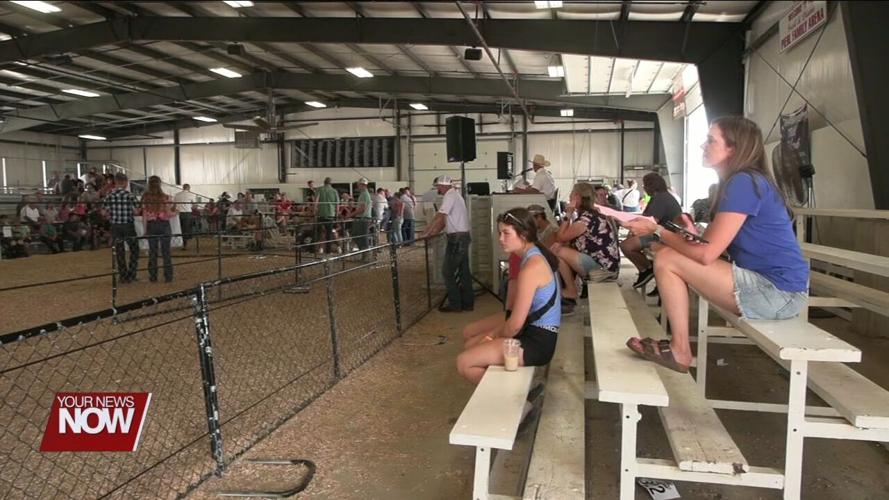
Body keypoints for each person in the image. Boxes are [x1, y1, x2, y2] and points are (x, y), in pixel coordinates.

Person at [625, 116, 809, 373]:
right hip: (778, 289)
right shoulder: (741, 182)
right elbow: (712, 245)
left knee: (667, 257)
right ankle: (679, 347)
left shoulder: (744, 182)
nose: (703, 145)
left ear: (733, 148)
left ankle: (680, 350)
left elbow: (706, 254)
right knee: (667, 254)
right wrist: (691, 233)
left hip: (777, 293)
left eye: (711, 140)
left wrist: (657, 230)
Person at [456, 207, 561, 384]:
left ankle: (516, 399)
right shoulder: (532, 254)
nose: (500, 239)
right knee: (471, 344)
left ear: (524, 234)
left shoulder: (532, 266)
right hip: (533, 331)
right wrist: (492, 335)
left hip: (536, 342)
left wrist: (491, 336)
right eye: (500, 233)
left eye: (506, 233)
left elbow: (514, 326)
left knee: (464, 362)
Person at [551, 183, 620, 314]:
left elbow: (560, 237)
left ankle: (570, 291)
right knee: (560, 248)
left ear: (576, 197)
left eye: (571, 194)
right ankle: (569, 291)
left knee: (557, 250)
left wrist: (568, 214)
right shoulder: (591, 215)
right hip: (605, 265)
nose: (569, 197)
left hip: (603, 269)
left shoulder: (585, 220)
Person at [419, 176, 473, 312]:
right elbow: (443, 220)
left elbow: (439, 216)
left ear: (443, 186)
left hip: (457, 239)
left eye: (438, 186)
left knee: (447, 272)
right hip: (463, 237)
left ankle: (455, 304)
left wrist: (426, 232)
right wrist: (431, 232)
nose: (437, 189)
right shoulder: (455, 195)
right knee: (463, 272)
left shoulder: (449, 196)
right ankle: (467, 303)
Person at [621, 172, 683, 289]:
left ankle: (647, 269)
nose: (643, 188)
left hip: (664, 236)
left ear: (651, 186)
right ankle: (649, 270)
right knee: (630, 241)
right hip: (663, 233)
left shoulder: (660, 198)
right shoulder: (662, 196)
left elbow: (650, 223)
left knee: (626, 246)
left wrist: (631, 231)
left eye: (644, 185)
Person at [105, 172, 139, 282]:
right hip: (128, 225)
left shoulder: (109, 195)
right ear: (125, 182)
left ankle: (123, 275)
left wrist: (112, 215)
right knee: (134, 249)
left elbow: (103, 212)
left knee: (119, 251)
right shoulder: (130, 195)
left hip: (115, 226)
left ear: (116, 181)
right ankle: (132, 274)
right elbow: (137, 211)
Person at [141, 175, 175, 283]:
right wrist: (176, 213)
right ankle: (168, 276)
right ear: (160, 184)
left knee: (153, 252)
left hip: (152, 225)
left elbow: (144, 216)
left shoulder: (145, 197)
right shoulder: (165, 197)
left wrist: (145, 230)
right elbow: (169, 214)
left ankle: (153, 276)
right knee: (166, 252)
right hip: (164, 224)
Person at [349, 177, 374, 253]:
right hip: (361, 218)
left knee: (362, 236)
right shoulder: (363, 194)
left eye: (358, 185)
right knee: (357, 235)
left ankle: (365, 253)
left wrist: (350, 214)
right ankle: (363, 252)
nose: (357, 186)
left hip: (363, 218)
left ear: (363, 185)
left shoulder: (365, 194)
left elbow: (362, 208)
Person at [315, 177, 339, 253]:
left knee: (320, 232)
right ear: (331, 183)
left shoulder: (319, 190)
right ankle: (328, 251)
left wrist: (315, 212)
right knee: (329, 233)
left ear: (324, 182)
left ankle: (319, 248)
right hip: (331, 215)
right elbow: (337, 205)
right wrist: (337, 215)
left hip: (321, 215)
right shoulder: (334, 191)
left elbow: (316, 202)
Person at [174, 184, 197, 249]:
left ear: (183, 188)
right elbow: (194, 205)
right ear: (189, 188)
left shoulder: (177, 195)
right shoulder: (191, 195)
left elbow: (174, 205)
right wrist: (193, 207)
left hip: (178, 213)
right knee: (186, 229)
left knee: (180, 228)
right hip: (187, 213)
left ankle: (180, 242)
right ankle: (185, 244)